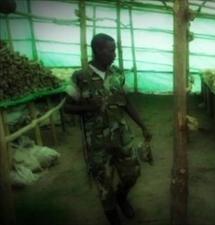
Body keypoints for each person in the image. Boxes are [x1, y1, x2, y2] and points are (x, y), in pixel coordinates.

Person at [63, 33, 152, 225]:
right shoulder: (80, 77)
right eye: (111, 51)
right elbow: (67, 107)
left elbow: (126, 101)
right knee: (104, 185)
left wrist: (142, 125)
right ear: (97, 50)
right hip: (97, 142)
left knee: (132, 173)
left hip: (121, 135)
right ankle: (114, 219)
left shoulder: (117, 73)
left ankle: (122, 197)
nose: (114, 55)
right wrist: (89, 107)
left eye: (115, 50)